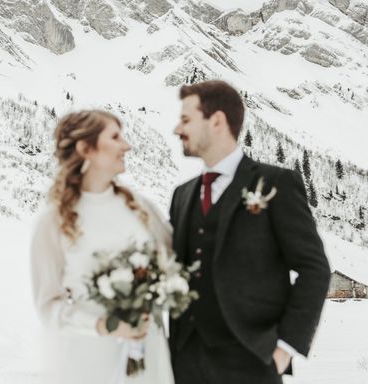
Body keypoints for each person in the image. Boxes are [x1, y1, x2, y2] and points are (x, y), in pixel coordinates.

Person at [169, 80, 331, 383]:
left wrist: (284, 347)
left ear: (216, 121)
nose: (178, 129)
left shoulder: (276, 183)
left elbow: (314, 268)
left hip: (252, 362)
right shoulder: (182, 195)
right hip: (184, 361)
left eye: (186, 120)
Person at [30, 110, 174, 384]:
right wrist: (103, 326)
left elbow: (175, 262)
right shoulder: (53, 223)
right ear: (86, 149)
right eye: (115, 137)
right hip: (90, 358)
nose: (127, 145)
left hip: (149, 352)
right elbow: (48, 306)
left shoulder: (140, 208)